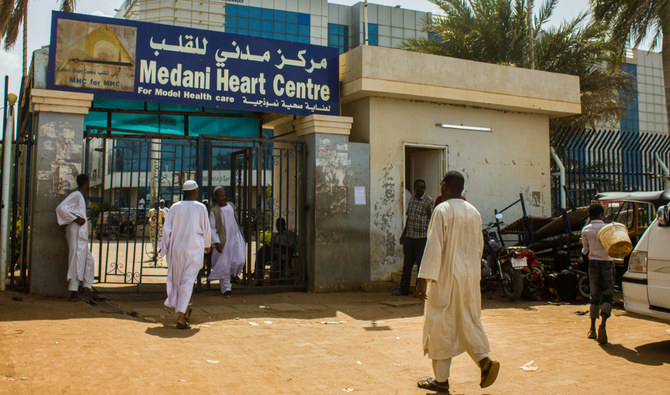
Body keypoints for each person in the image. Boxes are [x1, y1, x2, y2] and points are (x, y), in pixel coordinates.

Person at [415, 171, 499, 393]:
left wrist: (423, 278)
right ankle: (484, 361)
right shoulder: (474, 212)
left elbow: (433, 246)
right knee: (467, 321)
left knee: (440, 325)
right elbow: (478, 247)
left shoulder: (441, 210)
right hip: (469, 279)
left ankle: (441, 380)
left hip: (444, 278)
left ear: (446, 185)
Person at [160, 180, 211, 329]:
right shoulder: (200, 207)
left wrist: (165, 248)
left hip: (177, 249)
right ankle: (181, 314)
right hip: (194, 248)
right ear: (195, 192)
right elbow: (206, 229)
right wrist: (207, 245)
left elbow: (166, 229)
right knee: (188, 281)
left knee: (177, 279)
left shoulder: (175, 207)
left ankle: (182, 308)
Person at [55, 174, 96, 305]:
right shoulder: (77, 195)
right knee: (76, 258)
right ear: (87, 183)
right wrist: (75, 218)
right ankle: (74, 291)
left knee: (88, 260)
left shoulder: (80, 197)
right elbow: (60, 208)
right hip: (76, 230)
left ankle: (86, 288)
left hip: (80, 232)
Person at [581, 203, 614, 345]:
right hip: (607, 262)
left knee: (594, 296)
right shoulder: (609, 228)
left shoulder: (586, 230)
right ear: (601, 214)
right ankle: (603, 324)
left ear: (589, 215)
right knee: (607, 295)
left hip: (593, 264)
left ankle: (592, 329)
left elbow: (585, 251)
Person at [394, 179, 432, 296]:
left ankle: (418, 289)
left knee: (421, 265)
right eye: (418, 187)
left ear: (424, 189)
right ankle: (404, 289)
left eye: (422, 187)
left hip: (421, 238)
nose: (420, 189)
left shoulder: (428, 201)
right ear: (415, 188)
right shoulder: (412, 201)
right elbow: (409, 218)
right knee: (407, 265)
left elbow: (431, 220)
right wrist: (403, 234)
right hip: (410, 237)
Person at [208, 187, 246, 297]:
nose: (223, 197)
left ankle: (233, 274)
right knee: (224, 265)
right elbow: (212, 228)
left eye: (224, 195)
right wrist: (216, 242)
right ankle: (226, 289)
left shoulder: (231, 206)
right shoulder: (214, 211)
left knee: (240, 260)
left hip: (235, 238)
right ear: (216, 197)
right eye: (221, 195)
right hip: (224, 241)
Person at [255, 218, 297, 284]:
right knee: (261, 253)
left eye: (280, 225)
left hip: (283, 254)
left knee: (262, 254)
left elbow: (291, 247)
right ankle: (258, 276)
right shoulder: (276, 235)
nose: (278, 227)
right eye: (277, 225)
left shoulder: (290, 235)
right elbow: (271, 245)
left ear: (284, 225)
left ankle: (258, 275)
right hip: (274, 253)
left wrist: (278, 246)